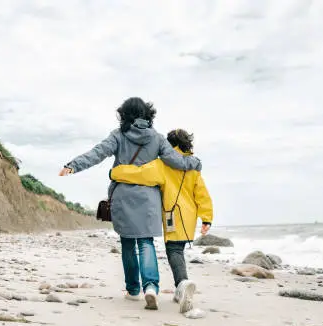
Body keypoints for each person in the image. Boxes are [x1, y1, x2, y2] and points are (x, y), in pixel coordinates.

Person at [58, 98, 201, 310]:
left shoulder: (118, 135)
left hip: (123, 197)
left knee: (127, 243)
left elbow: (97, 153)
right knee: (146, 242)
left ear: (124, 115)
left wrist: (73, 166)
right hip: (149, 199)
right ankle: (151, 287)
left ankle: (133, 290)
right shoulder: (158, 138)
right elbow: (177, 162)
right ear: (148, 114)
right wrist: (195, 163)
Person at [110, 129, 213, 313]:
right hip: (190, 217)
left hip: (172, 214)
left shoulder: (162, 164)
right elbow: (202, 195)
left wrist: (115, 172)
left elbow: (139, 173)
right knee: (178, 250)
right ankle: (179, 289)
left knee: (173, 250)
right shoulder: (193, 168)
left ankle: (182, 284)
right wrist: (207, 218)